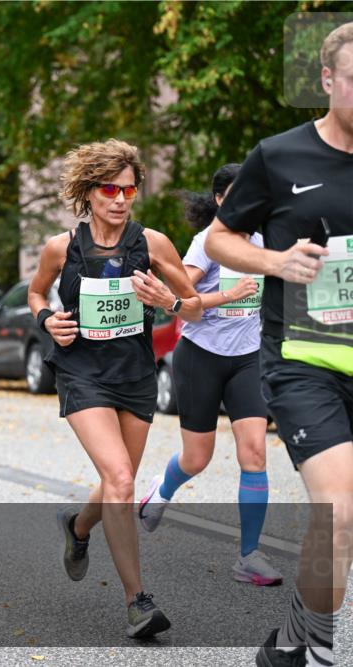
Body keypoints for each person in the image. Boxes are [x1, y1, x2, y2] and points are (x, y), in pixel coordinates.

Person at [205, 23, 352, 667]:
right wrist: (275, 263)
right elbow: (218, 239)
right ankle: (315, 647)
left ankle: (292, 642)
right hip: (306, 364)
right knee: (340, 512)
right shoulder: (280, 155)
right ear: (327, 81)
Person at [28, 139, 203, 639]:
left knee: (117, 481)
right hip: (81, 372)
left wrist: (169, 299)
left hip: (136, 374)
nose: (121, 198)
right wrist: (47, 319)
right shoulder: (62, 247)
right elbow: (36, 291)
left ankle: (78, 527)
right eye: (110, 188)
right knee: (122, 481)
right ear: (89, 190)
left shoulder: (154, 244)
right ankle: (137, 603)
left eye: (130, 189)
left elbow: (193, 306)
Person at [138, 164, 284, 587]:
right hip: (200, 356)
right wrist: (229, 295)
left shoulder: (264, 242)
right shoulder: (206, 244)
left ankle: (249, 556)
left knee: (254, 452)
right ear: (222, 199)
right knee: (197, 458)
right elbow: (181, 303)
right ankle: (159, 491)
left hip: (248, 357)